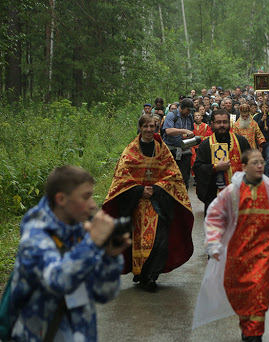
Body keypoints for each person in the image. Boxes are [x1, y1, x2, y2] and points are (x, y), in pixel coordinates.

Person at [193, 149, 269, 342]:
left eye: (262, 162)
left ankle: (254, 334)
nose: (260, 166)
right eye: (255, 163)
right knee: (238, 292)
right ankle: (247, 325)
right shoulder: (232, 192)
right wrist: (213, 244)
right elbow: (214, 216)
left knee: (259, 290)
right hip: (237, 252)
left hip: (264, 253)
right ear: (244, 167)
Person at [9, 166, 130, 341]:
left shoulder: (79, 232)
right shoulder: (35, 237)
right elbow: (59, 280)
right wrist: (93, 243)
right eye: (86, 196)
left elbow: (104, 293)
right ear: (61, 199)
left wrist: (109, 257)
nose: (93, 205)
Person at [103, 115, 194, 292]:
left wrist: (157, 188)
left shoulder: (162, 150)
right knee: (138, 242)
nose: (149, 130)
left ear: (156, 127)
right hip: (135, 205)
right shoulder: (130, 151)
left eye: (152, 126)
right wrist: (139, 190)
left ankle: (151, 276)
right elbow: (121, 177)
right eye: (145, 126)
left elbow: (173, 175)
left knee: (160, 241)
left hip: (158, 203)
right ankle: (141, 273)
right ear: (140, 128)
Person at [192, 110, 251, 214]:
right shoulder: (205, 144)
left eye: (225, 122)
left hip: (240, 197)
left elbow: (252, 163)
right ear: (212, 124)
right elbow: (197, 168)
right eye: (218, 122)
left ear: (229, 123)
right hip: (214, 197)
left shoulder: (241, 141)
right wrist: (215, 167)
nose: (222, 125)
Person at [162, 98, 195, 190]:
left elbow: (191, 130)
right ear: (182, 107)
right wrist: (184, 131)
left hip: (185, 150)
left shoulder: (189, 117)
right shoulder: (171, 115)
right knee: (170, 176)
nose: (189, 112)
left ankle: (184, 198)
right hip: (172, 150)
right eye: (188, 110)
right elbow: (168, 131)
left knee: (184, 178)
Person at [254, 104, 269, 178]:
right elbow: (254, 128)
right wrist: (262, 120)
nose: (265, 109)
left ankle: (268, 177)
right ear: (260, 108)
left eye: (267, 107)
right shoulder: (256, 117)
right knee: (258, 160)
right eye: (263, 107)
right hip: (259, 143)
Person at [191, 111, 213, 181]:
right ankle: (195, 176)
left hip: (202, 145)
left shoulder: (206, 126)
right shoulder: (192, 125)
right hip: (193, 145)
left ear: (202, 117)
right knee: (193, 160)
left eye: (198, 115)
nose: (197, 117)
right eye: (195, 116)